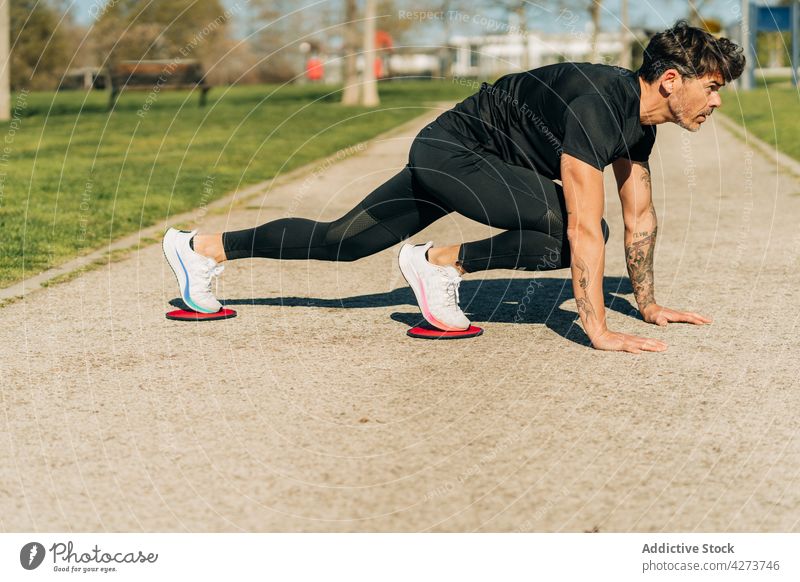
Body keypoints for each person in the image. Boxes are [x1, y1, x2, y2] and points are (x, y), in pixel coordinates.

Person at [163, 20, 744, 353]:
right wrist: (598, 329)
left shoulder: (639, 125)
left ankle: (201, 248)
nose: (716, 101)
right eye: (713, 86)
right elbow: (583, 225)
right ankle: (439, 264)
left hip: (472, 165)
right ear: (671, 80)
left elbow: (641, 218)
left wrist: (646, 305)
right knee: (570, 229)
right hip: (452, 152)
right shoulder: (598, 104)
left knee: (344, 241)